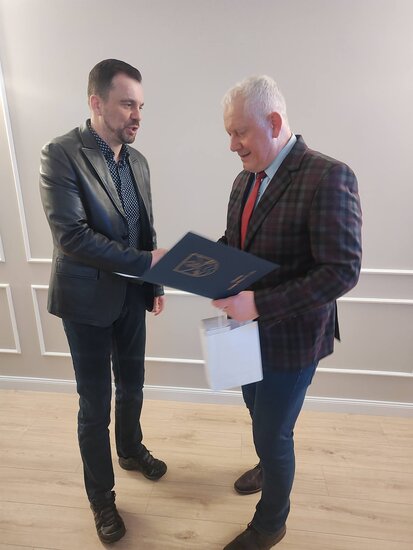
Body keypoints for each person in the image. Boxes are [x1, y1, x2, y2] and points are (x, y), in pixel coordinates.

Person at [213, 76, 362, 550]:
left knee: (274, 431)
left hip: (293, 338)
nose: (232, 145)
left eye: (240, 132)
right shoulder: (244, 179)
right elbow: (236, 243)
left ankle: (270, 523)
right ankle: (267, 461)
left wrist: (258, 303)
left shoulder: (328, 176)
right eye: (229, 134)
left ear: (274, 123)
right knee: (256, 411)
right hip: (242, 333)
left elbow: (340, 271)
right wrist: (199, 264)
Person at [40, 59, 168, 544]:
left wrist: (153, 282)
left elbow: (144, 228)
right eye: (127, 104)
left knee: (132, 386)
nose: (137, 115)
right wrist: (146, 263)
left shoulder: (139, 161)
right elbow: (71, 236)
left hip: (132, 295)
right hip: (85, 301)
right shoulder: (60, 154)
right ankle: (102, 499)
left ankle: (131, 450)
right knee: (94, 406)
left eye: (141, 106)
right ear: (96, 102)